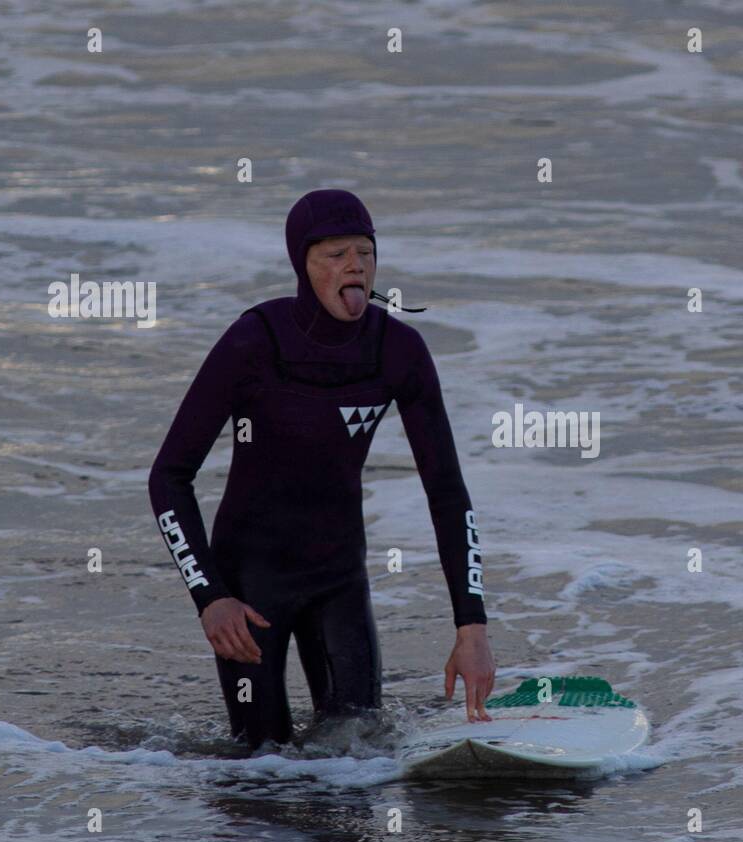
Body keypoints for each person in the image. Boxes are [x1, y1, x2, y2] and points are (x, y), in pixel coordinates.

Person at [148, 188, 494, 750]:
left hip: (339, 578)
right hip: (250, 588)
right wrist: (210, 597)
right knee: (259, 767)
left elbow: (447, 494)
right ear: (301, 265)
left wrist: (471, 628)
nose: (355, 264)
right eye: (335, 253)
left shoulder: (397, 352)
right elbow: (168, 477)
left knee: (357, 754)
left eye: (364, 251)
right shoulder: (254, 342)